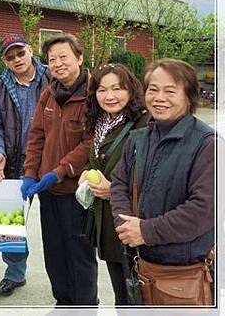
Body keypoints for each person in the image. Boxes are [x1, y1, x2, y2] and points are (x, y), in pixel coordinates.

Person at [110, 59, 214, 305]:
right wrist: (126, 226)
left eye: (170, 90)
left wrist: (146, 231)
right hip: (140, 267)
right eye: (153, 89)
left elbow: (203, 210)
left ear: (189, 96)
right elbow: (118, 183)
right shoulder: (138, 139)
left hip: (182, 275)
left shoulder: (206, 144)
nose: (159, 97)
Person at [22, 33, 98, 306]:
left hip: (77, 191)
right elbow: (37, 135)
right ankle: (63, 302)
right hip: (48, 189)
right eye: (52, 59)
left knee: (79, 253)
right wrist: (31, 171)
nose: (57, 63)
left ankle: (86, 305)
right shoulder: (49, 92)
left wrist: (62, 169)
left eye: (63, 57)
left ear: (79, 58)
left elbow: (91, 142)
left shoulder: (94, 93)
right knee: (54, 250)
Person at [0, 33, 49, 296]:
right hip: (15, 165)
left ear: (30, 51)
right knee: (9, 226)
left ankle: (66, 279)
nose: (17, 59)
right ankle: (15, 273)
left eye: (20, 53)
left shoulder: (51, 79)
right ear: (4, 61)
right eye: (10, 56)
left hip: (51, 163)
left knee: (59, 225)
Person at [78, 63, 148, 305]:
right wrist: (88, 172)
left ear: (131, 89)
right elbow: (101, 161)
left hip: (133, 223)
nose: (109, 96)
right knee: (121, 294)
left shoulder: (144, 124)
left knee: (139, 297)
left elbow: (153, 174)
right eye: (102, 90)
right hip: (107, 223)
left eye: (117, 88)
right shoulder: (100, 122)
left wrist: (114, 191)